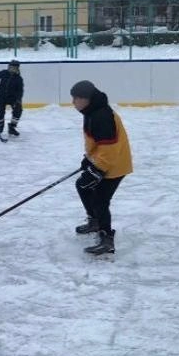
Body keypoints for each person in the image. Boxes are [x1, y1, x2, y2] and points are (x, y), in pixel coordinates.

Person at [70, 80, 133, 255]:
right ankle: (95, 221)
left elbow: (110, 148)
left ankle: (106, 239)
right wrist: (88, 160)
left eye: (76, 98)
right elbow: (96, 142)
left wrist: (97, 169)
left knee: (100, 199)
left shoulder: (102, 116)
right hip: (105, 161)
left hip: (115, 165)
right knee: (82, 185)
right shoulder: (91, 111)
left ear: (86, 99)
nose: (73, 102)